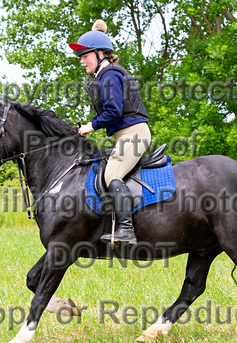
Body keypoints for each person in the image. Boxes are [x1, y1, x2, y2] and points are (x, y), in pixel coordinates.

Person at [69, 20, 151, 246]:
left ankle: (126, 230)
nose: (82, 60)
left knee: (111, 174)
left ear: (100, 54)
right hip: (125, 135)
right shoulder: (104, 76)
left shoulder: (109, 75)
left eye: (85, 55)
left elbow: (114, 112)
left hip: (134, 134)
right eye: (81, 56)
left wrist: (91, 126)